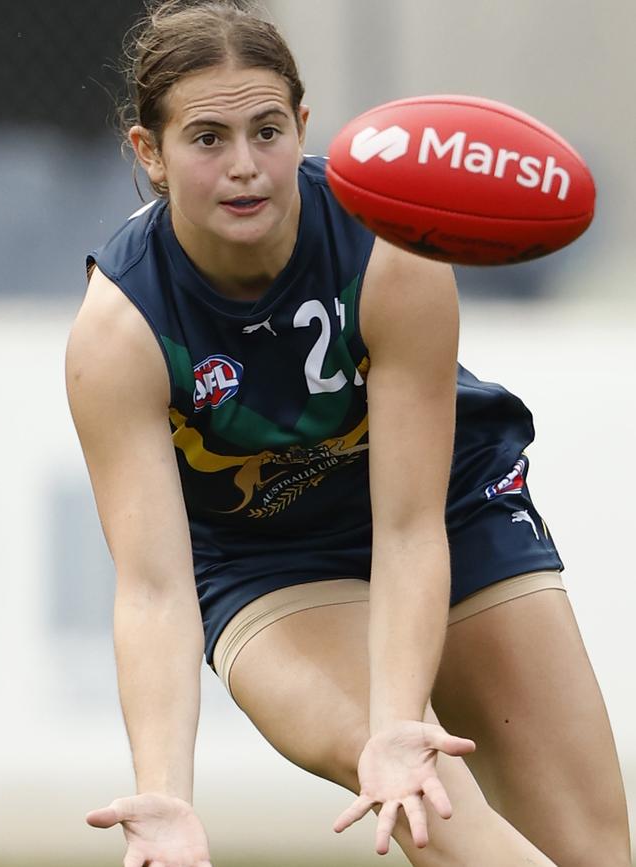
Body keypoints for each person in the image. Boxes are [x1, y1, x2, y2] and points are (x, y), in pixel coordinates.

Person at [66, 2, 632, 866]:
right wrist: (166, 794)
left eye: (265, 130)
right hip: (266, 562)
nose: (245, 167)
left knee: (594, 849)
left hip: (448, 513)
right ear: (149, 152)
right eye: (207, 138)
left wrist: (404, 715)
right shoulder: (119, 331)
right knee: (443, 816)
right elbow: (152, 588)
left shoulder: (392, 249)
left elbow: (408, 526)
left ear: (302, 123)